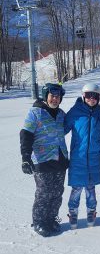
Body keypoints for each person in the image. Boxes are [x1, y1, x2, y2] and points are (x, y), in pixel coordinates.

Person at [20, 83, 68, 237]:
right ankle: (39, 221)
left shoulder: (61, 114)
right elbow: (26, 134)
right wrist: (25, 157)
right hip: (42, 159)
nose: (55, 99)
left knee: (57, 192)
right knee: (44, 193)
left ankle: (51, 218)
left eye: (58, 96)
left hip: (60, 159)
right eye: (52, 96)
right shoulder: (35, 112)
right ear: (45, 95)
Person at [64, 83, 100, 229]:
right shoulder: (75, 112)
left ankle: (91, 212)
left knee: (90, 187)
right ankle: (73, 213)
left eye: (95, 96)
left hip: (94, 157)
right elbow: (61, 129)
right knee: (76, 188)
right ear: (83, 96)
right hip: (78, 157)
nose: (92, 99)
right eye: (88, 95)